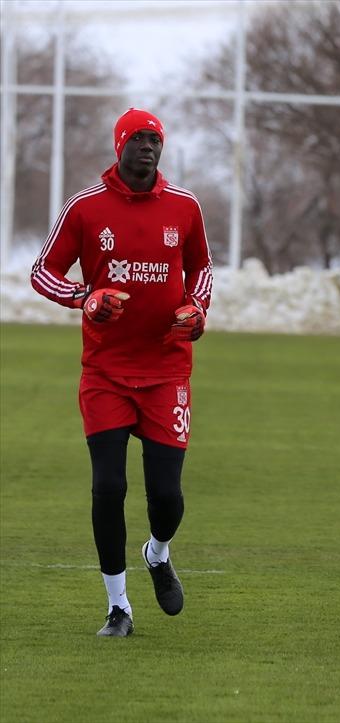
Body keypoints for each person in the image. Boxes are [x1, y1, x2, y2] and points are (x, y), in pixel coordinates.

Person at [30, 108, 213, 637]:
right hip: (106, 373)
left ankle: (158, 553)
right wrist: (84, 298)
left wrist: (197, 309)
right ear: (119, 146)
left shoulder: (184, 206)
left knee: (167, 497)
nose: (148, 147)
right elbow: (42, 271)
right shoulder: (86, 208)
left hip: (167, 371)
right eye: (138, 139)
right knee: (108, 487)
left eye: (155, 139)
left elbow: (201, 267)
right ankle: (118, 608)